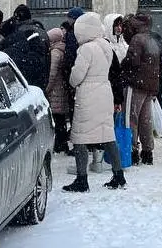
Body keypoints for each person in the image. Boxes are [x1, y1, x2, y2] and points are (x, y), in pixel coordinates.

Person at [62, 12, 126, 192]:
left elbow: (76, 76)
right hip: (105, 93)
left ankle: (82, 180)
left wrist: (72, 81)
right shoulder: (106, 46)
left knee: (80, 138)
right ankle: (118, 175)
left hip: (88, 94)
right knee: (107, 135)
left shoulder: (86, 49)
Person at [123, 13, 162, 165]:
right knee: (146, 120)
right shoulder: (151, 38)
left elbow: (132, 61)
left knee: (132, 118)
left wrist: (122, 66)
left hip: (137, 84)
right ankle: (148, 152)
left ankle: (133, 151)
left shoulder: (137, 39)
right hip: (151, 85)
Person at [3, 5, 50, 89]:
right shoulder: (41, 31)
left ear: (17, 17)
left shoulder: (22, 33)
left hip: (29, 81)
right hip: (42, 78)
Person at [46, 27, 72, 155]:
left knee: (57, 119)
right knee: (60, 118)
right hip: (61, 89)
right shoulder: (63, 49)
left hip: (56, 90)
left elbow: (51, 74)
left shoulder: (55, 53)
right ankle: (62, 143)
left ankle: (60, 144)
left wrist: (47, 89)